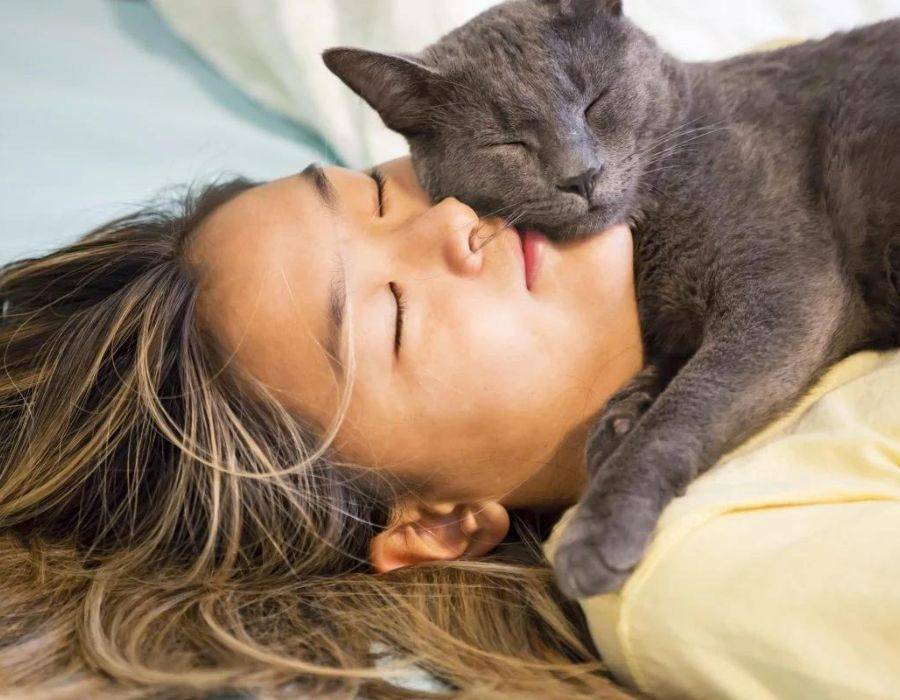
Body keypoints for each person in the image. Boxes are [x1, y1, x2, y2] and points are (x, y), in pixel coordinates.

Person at [0, 157, 642, 698]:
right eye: (395, 313)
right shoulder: (699, 587)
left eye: (380, 194)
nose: (451, 215)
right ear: (437, 528)